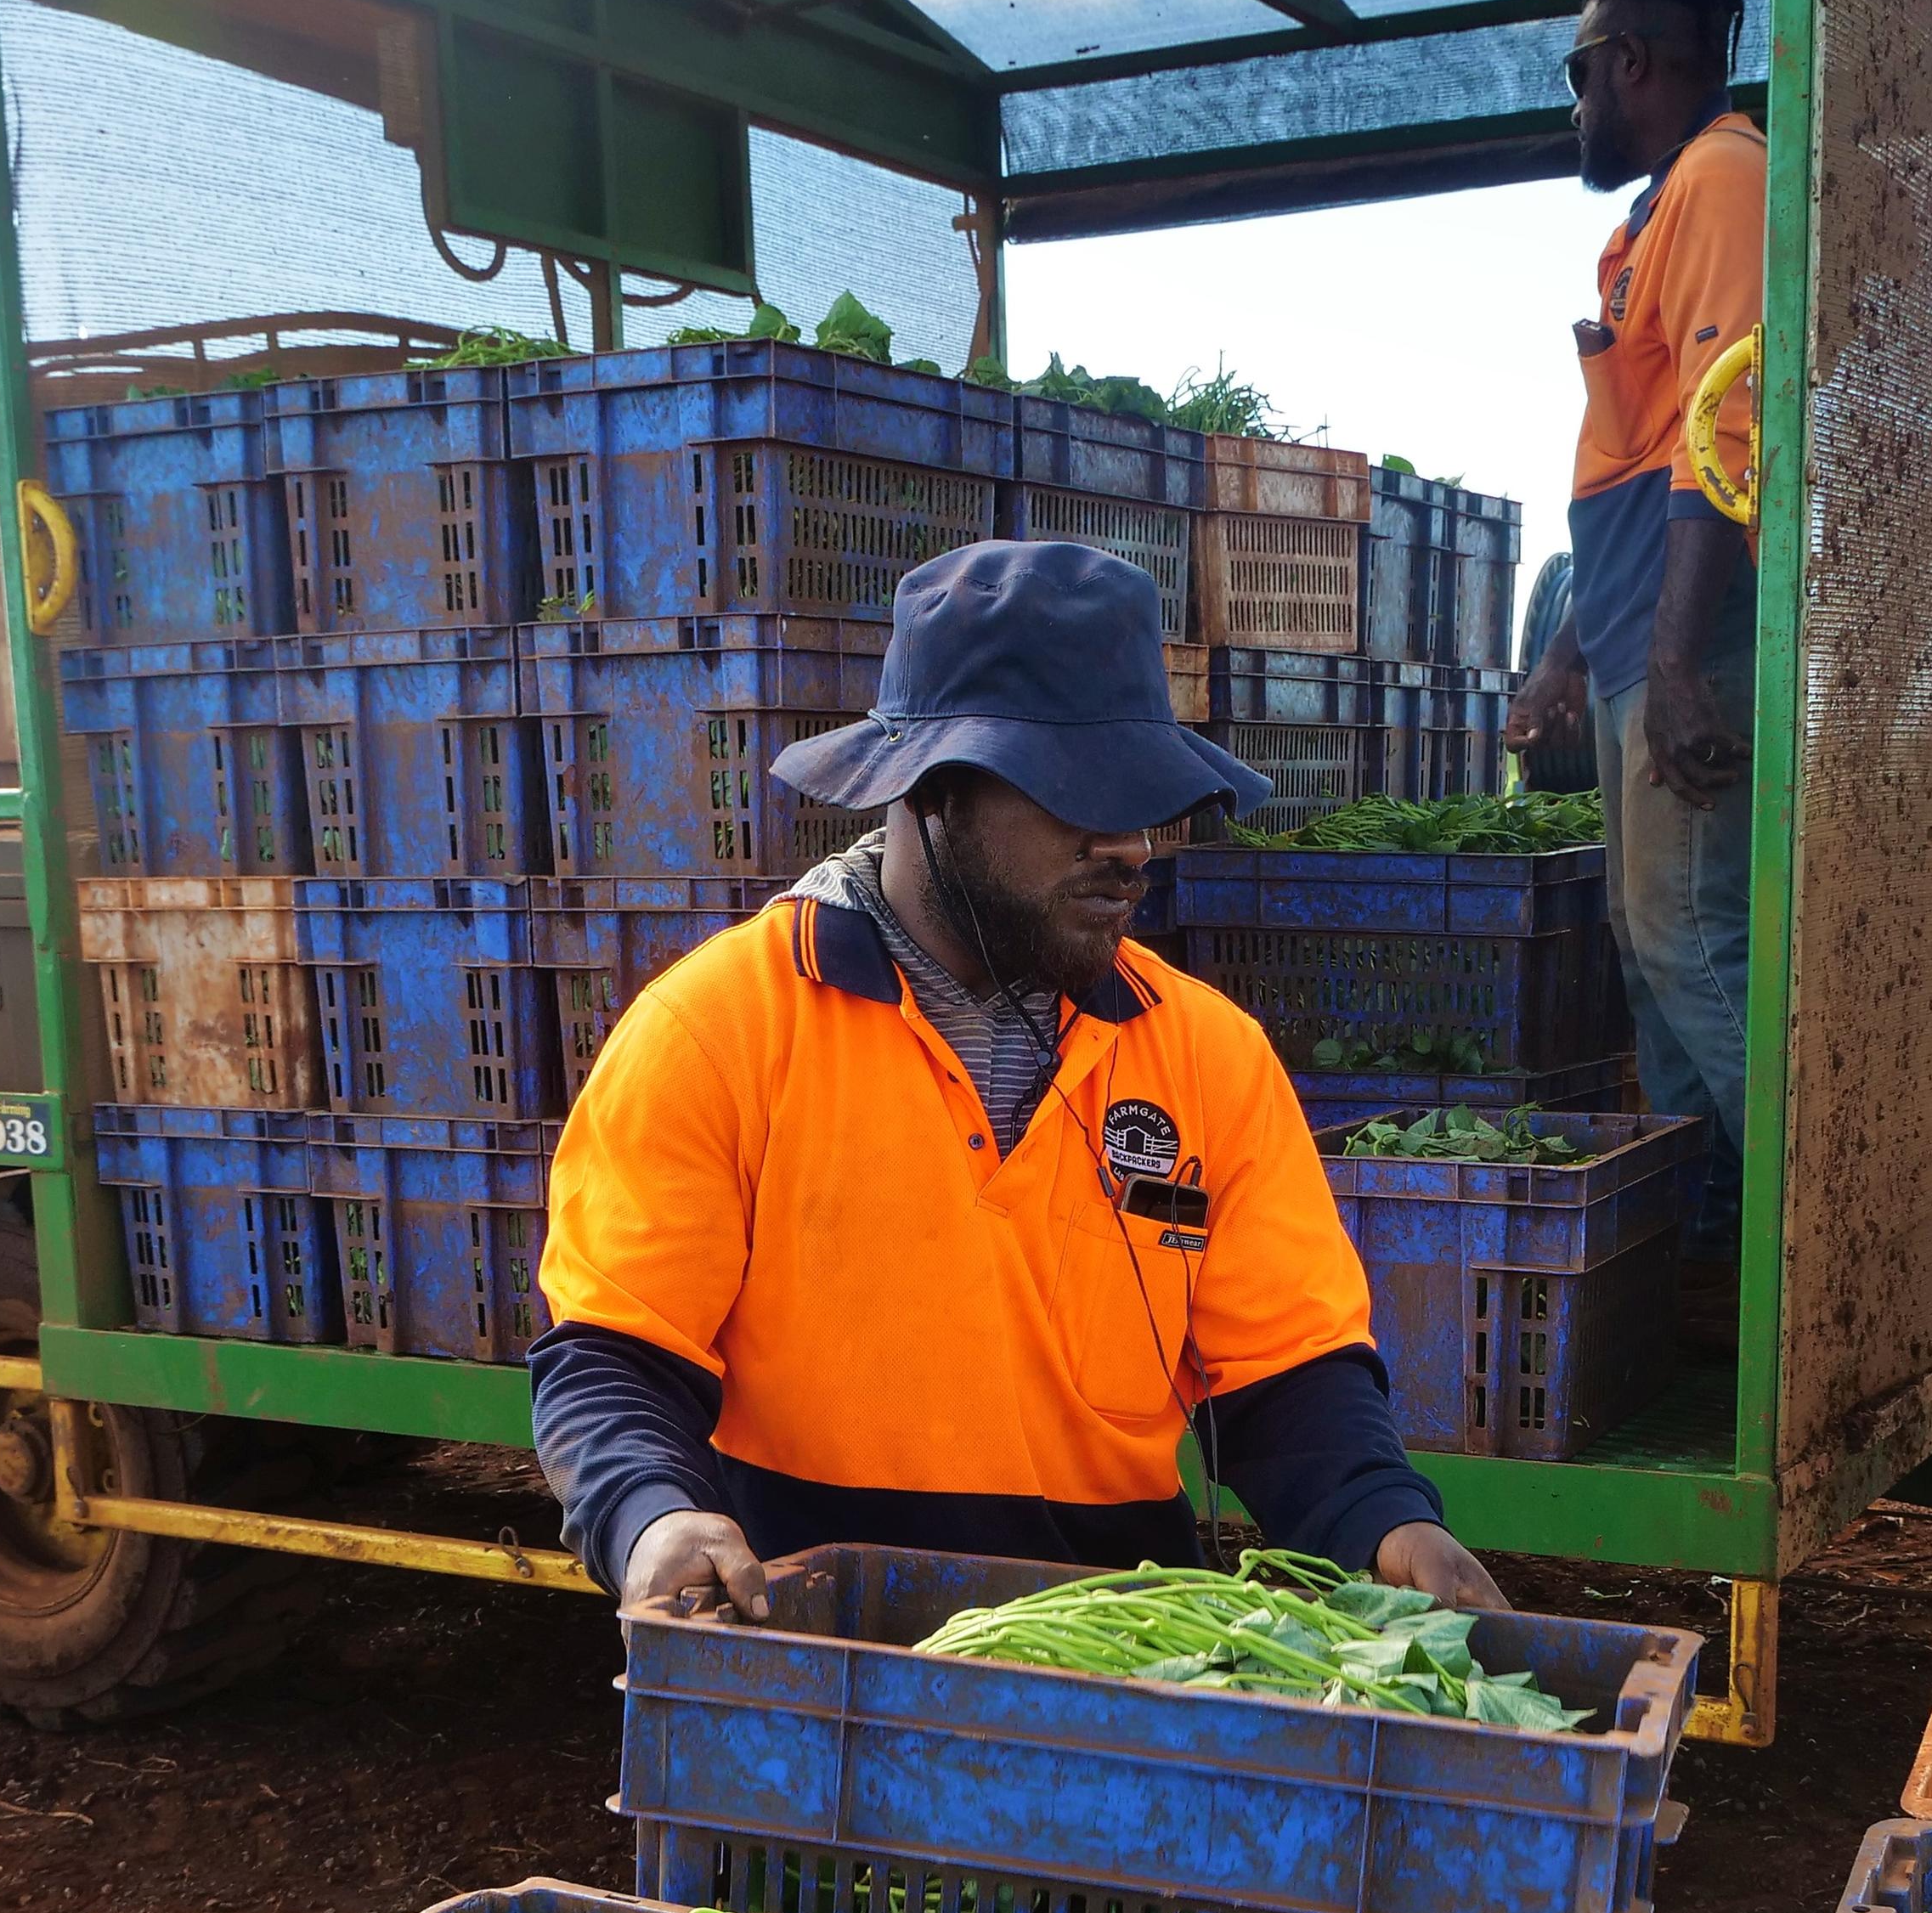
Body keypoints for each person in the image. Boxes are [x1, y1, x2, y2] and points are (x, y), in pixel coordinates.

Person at [529, 538, 1511, 1623]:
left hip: (1121, 1651)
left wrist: (1387, 1522)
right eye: (1078, 797)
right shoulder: (717, 1031)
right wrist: (652, 1517)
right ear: (930, 792)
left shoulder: (1208, 1056)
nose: (1131, 846)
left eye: (1146, 803)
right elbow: (615, 1358)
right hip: (804, 1648)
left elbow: (1289, 1373)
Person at [1509, 0, 1761, 1203]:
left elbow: (1726, 428)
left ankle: (1820, 1232)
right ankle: (1703, 1248)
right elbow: (1639, 444)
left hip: (1690, 636)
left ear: (1631, 62)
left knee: (1693, 940)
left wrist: (1672, 662)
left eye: (1578, 76)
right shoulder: (1651, 215)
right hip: (1631, 638)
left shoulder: (1722, 178)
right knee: (1646, 941)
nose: (1575, 108)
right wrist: (1571, 652)